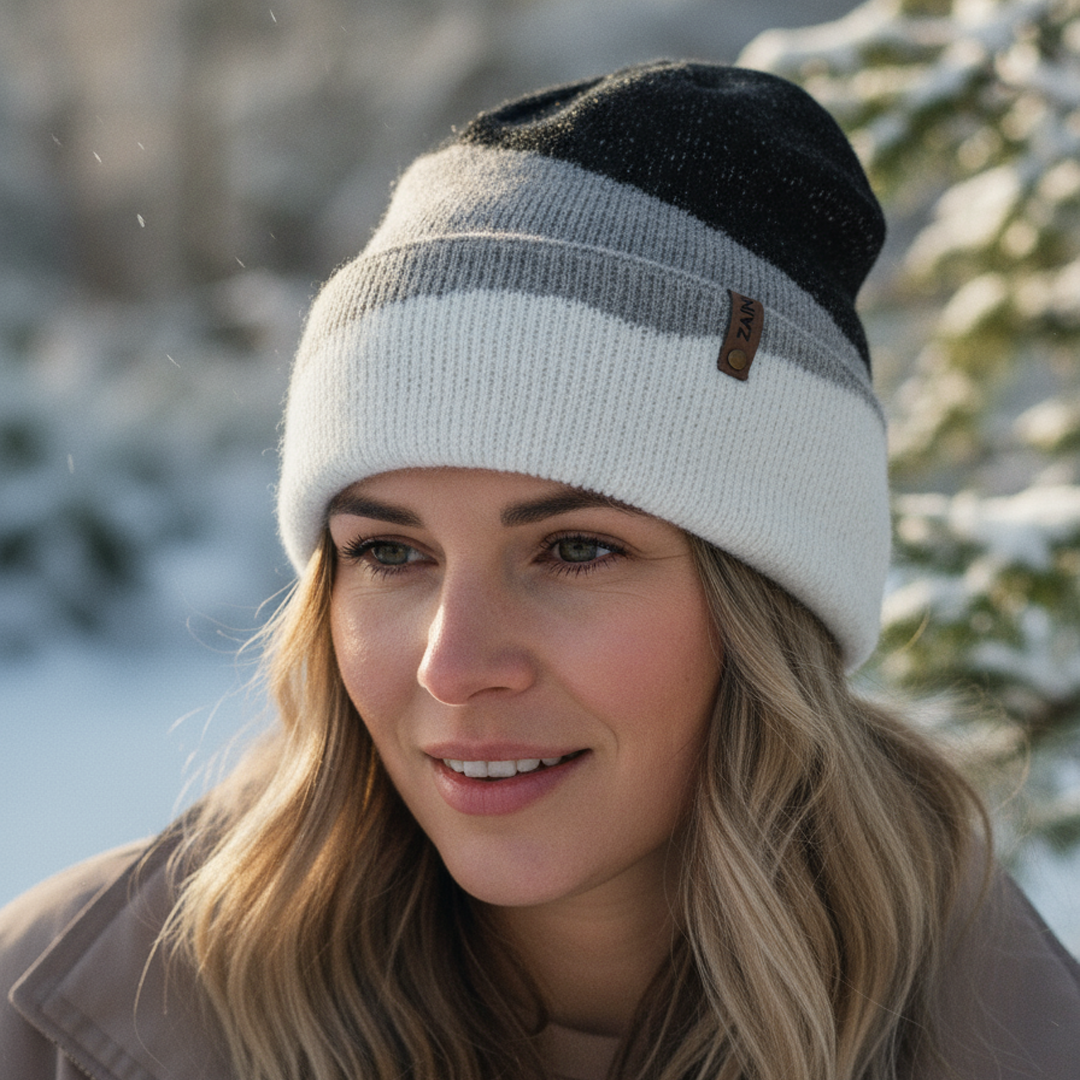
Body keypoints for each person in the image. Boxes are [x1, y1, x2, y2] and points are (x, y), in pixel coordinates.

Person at [2, 60, 1079, 1080]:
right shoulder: (52, 1029)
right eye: (389, 552)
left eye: (575, 549)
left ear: (770, 608)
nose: (453, 665)